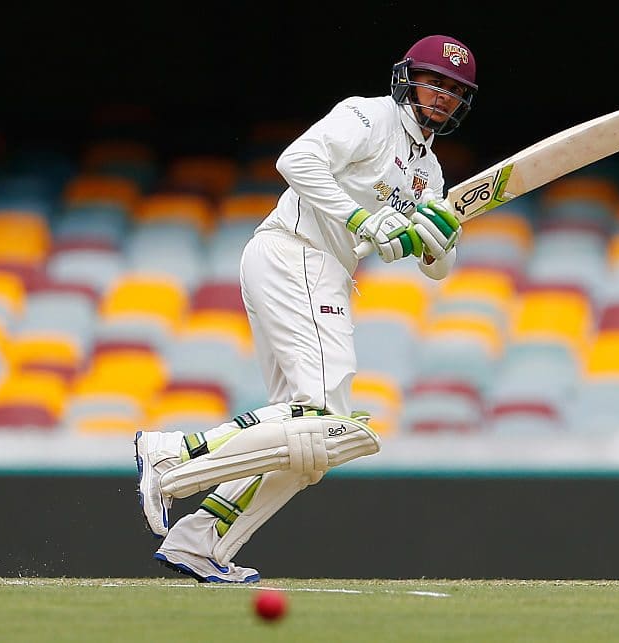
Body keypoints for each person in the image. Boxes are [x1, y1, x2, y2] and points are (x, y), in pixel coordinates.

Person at [134, 34, 478, 582]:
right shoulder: (367, 118)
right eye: (433, 80)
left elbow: (436, 267)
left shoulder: (429, 174)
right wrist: (363, 221)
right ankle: (175, 453)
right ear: (407, 77)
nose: (441, 96)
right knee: (326, 419)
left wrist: (440, 242)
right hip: (296, 253)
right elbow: (295, 160)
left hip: (321, 272)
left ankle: (199, 544)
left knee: (308, 447)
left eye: (454, 90)